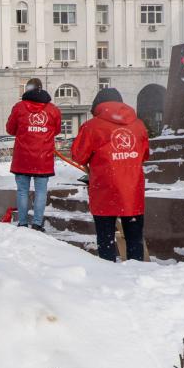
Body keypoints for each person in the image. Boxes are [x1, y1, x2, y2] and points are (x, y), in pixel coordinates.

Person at [70, 88, 150, 262]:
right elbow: (144, 155)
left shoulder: (92, 126)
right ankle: (137, 271)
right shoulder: (138, 125)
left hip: (105, 188)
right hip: (132, 188)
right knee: (134, 236)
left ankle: (108, 271)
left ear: (98, 106)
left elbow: (78, 155)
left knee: (106, 237)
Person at [6, 78, 61, 231]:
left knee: (22, 190)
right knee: (41, 191)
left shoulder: (19, 107)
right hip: (43, 158)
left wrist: (27, 129)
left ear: (27, 89)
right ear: (41, 88)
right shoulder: (52, 110)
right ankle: (37, 223)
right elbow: (56, 130)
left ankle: (22, 223)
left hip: (23, 156)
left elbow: (10, 129)